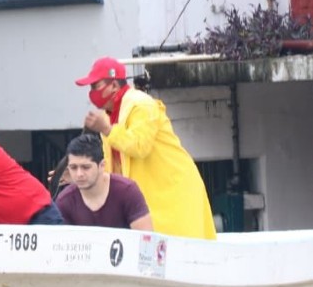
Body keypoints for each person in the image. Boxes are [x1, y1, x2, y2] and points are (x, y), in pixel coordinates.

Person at [75, 57, 217, 240]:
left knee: (179, 254)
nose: (92, 92)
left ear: (114, 85)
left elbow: (140, 146)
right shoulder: (109, 117)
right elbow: (113, 166)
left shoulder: (140, 104)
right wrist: (81, 174)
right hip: (151, 199)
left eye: (96, 86)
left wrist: (107, 129)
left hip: (173, 192)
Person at [55, 134, 153, 231]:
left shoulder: (127, 191)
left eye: (86, 167)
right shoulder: (64, 201)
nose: (79, 174)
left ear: (102, 165)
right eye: (73, 168)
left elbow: (146, 241)